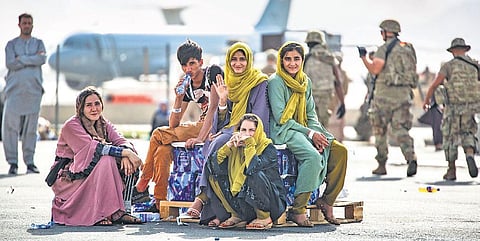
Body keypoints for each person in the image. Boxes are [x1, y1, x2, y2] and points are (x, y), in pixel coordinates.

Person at [186, 42, 270, 227]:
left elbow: (258, 117)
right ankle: (221, 213)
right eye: (234, 59)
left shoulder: (259, 81)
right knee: (213, 145)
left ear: (249, 61)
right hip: (229, 129)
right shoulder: (228, 82)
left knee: (217, 144)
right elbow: (223, 116)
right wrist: (223, 101)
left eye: (242, 59)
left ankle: (201, 198)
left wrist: (231, 132)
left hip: (249, 131)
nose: (238, 63)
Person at [135, 39, 222, 209]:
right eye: (184, 65)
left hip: (216, 126)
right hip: (201, 125)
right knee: (162, 150)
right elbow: (173, 124)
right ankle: (159, 202)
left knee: (158, 134)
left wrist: (199, 138)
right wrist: (178, 98)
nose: (188, 69)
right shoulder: (187, 84)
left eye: (192, 64)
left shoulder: (213, 72)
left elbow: (213, 109)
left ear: (201, 62)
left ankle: (143, 180)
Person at [268, 41, 348, 226]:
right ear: (281, 61)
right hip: (284, 130)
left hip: (304, 128)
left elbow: (311, 115)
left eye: (296, 59)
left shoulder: (305, 81)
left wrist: (318, 134)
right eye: (287, 59)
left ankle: (327, 201)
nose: (292, 63)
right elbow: (281, 118)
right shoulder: (276, 82)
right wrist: (311, 135)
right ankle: (298, 209)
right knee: (312, 156)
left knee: (339, 150)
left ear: (302, 60)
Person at [48, 86, 143, 226]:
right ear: (81, 108)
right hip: (69, 178)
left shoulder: (103, 123)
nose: (94, 108)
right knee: (107, 159)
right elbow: (94, 148)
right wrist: (125, 153)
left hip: (90, 173)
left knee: (124, 160)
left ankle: (121, 211)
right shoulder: (71, 125)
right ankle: (101, 213)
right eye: (89, 105)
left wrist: (126, 154)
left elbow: (122, 140)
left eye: (97, 103)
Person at [203, 114, 286, 230]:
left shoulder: (268, 147)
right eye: (243, 130)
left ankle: (264, 217)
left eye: (251, 130)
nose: (247, 134)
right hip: (245, 202)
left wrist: (250, 144)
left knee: (253, 173)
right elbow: (212, 165)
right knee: (213, 175)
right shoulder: (235, 147)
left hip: (270, 203)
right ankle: (237, 215)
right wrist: (228, 146)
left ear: (258, 131)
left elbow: (253, 167)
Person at [357, 19, 418, 177]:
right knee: (401, 129)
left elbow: (375, 69)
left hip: (384, 97)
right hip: (403, 95)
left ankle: (381, 164)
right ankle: (411, 157)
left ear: (385, 32)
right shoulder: (408, 48)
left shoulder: (383, 49)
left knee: (380, 131)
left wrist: (364, 57)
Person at [422, 38, 479, 181]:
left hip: (452, 107)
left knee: (450, 136)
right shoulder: (475, 65)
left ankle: (451, 170)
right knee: (468, 132)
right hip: (471, 106)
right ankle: (470, 154)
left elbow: (435, 85)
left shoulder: (448, 66)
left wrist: (427, 100)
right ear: (465, 50)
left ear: (453, 51)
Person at [3, 13, 46, 175]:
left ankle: (30, 162)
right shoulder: (11, 45)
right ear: (19, 25)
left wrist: (22, 58)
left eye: (29, 23)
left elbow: (42, 59)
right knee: (10, 129)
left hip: (33, 92)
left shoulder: (39, 43)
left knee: (30, 130)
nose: (27, 25)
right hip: (14, 93)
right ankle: (13, 162)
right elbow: (10, 63)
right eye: (24, 23)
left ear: (32, 25)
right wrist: (32, 58)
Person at [303, 30, 346, 128]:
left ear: (309, 44)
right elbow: (338, 82)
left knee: (309, 127)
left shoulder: (306, 59)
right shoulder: (330, 59)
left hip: (309, 98)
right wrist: (342, 103)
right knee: (322, 127)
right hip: (325, 97)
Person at [354, 51, 375, 141]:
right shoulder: (370, 72)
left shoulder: (380, 69)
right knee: (364, 114)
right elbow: (369, 87)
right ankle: (363, 134)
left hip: (377, 98)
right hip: (370, 98)